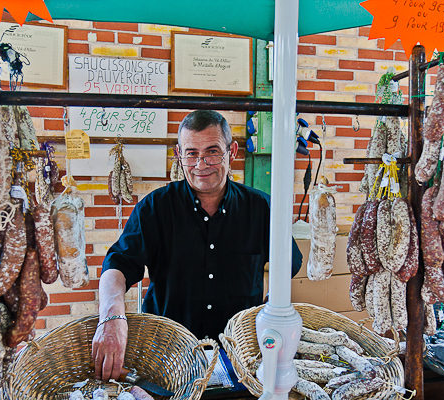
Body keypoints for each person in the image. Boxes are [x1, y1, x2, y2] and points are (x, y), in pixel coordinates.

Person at [92, 110, 303, 381]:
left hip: (238, 357)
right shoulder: (155, 208)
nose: (201, 164)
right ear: (179, 155)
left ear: (232, 151)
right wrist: (111, 318)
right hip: (168, 354)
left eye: (212, 151)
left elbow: (289, 264)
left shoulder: (261, 207)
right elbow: (118, 264)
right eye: (191, 153)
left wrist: (271, 309)